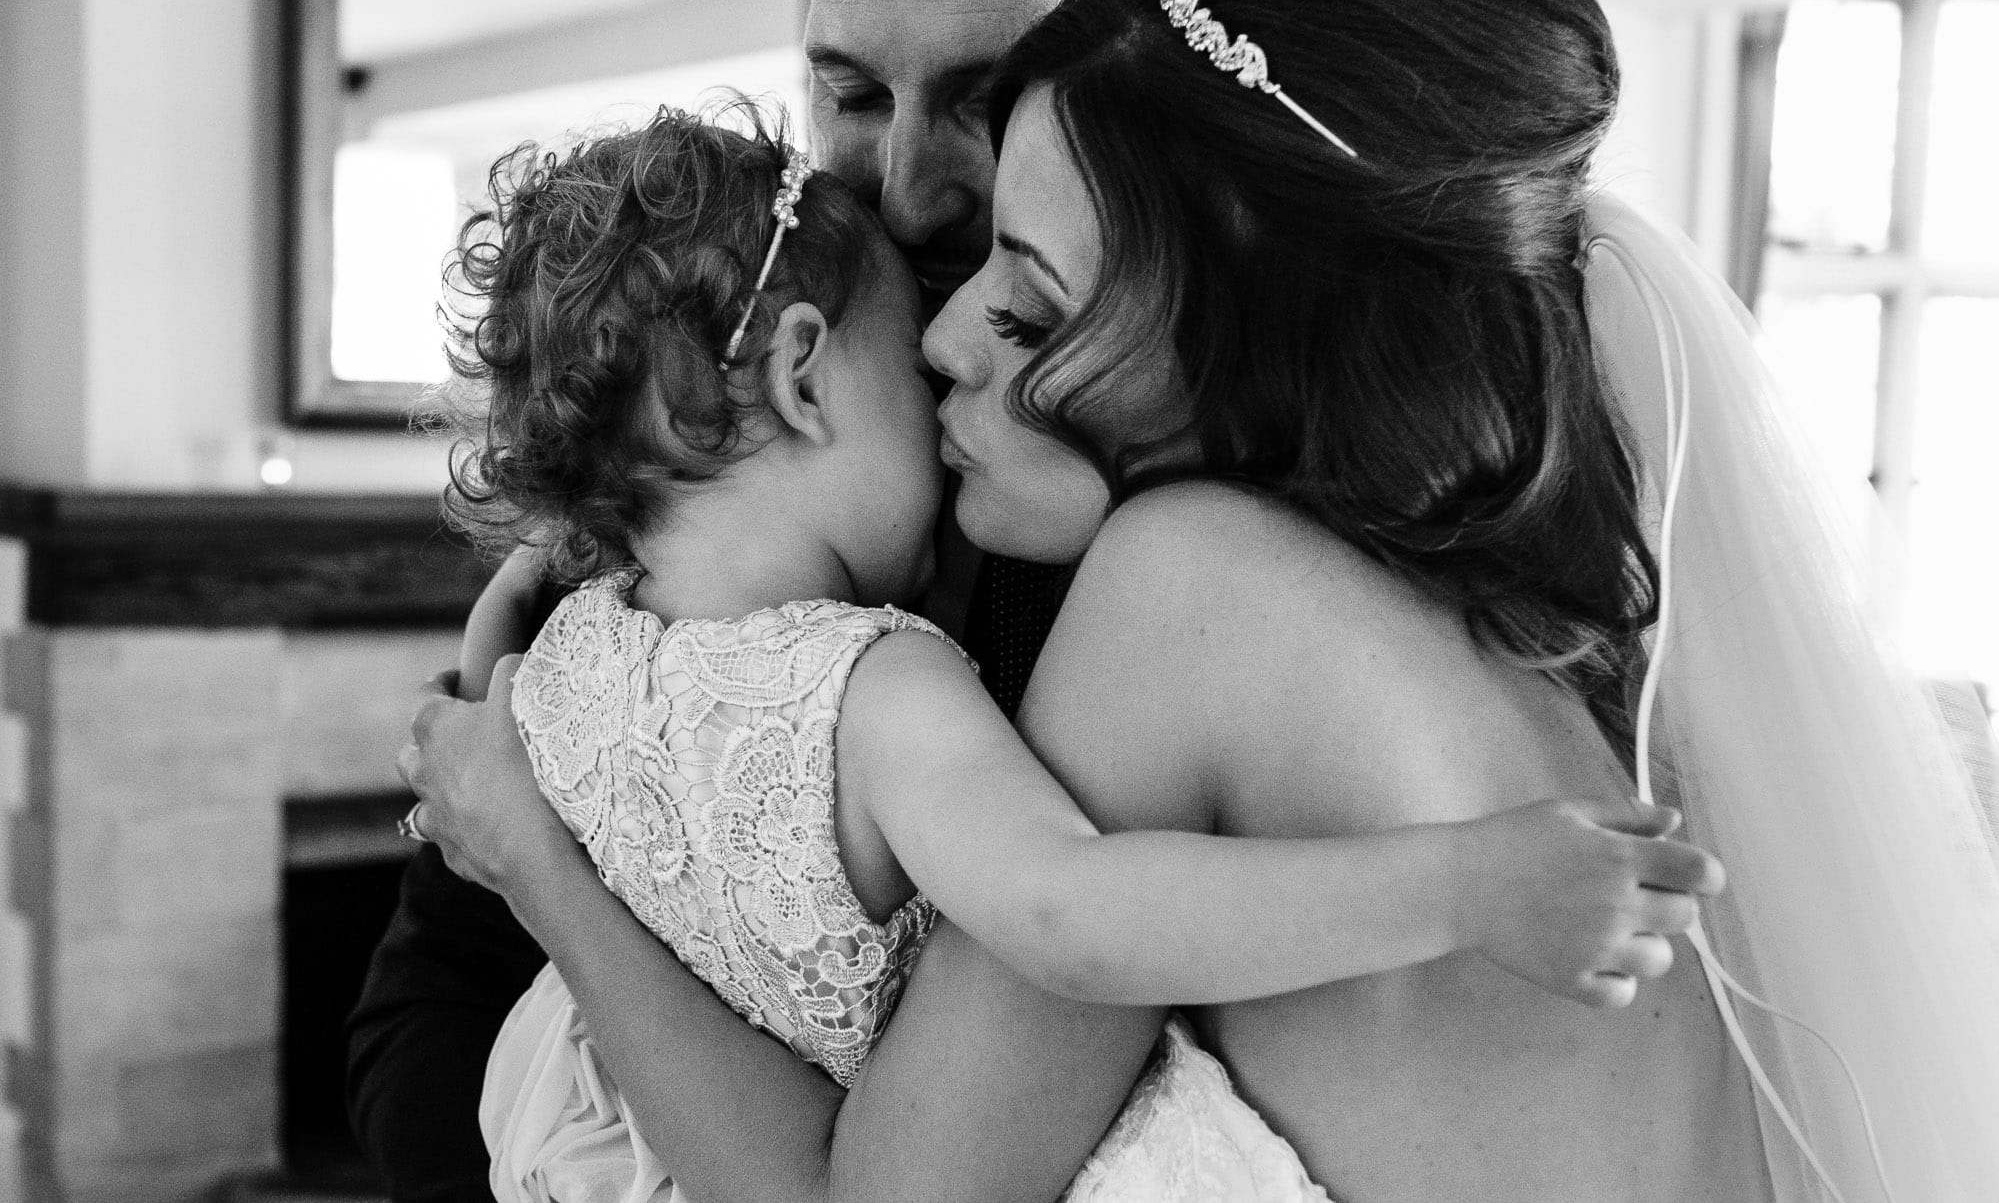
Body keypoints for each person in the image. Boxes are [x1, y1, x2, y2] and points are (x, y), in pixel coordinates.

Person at [404, 0, 1999, 1203]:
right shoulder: (1524, 626)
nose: (947, 327)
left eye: (1026, 293)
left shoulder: (1193, 593)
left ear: (1229, 328)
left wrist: (539, 858)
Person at [430, 105, 1717, 1200]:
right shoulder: (880, 689)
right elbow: (1066, 911)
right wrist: (1465, 889)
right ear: (807, 380)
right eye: (910, 361)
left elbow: (478, 706)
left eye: (1030, 304)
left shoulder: (567, 655)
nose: (946, 354)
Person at [345, 0, 1232, 1197]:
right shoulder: (608, 573)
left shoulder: (1194, 555)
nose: (916, 194)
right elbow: (417, 1022)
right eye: (855, 97)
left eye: (986, 101)